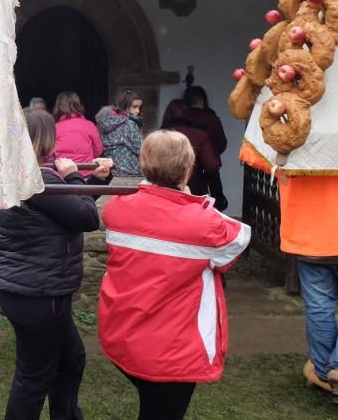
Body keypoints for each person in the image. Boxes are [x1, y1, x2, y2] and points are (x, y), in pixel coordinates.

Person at [99, 130, 250, 420]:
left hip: (123, 335)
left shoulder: (117, 209)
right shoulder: (204, 223)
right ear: (188, 170)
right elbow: (238, 239)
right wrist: (192, 199)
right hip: (172, 350)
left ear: (143, 166)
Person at [0, 109, 112, 420]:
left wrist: (95, 180)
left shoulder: (13, 173)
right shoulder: (37, 178)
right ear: (44, 139)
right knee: (33, 378)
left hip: (28, 289)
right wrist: (73, 175)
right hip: (40, 294)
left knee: (71, 358)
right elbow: (86, 217)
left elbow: (66, 209)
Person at [160, 99, 222, 203]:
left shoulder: (160, 135)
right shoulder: (200, 134)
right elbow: (211, 164)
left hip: (163, 183)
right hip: (194, 182)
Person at [183, 85, 228, 210]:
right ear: (203, 100)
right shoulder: (212, 119)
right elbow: (222, 143)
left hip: (186, 166)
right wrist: (211, 153)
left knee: (189, 202)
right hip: (210, 166)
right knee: (216, 202)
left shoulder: (180, 119)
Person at [54, 91, 103, 176]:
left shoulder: (55, 128)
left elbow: (49, 154)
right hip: (86, 174)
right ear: (78, 105)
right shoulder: (89, 125)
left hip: (62, 175)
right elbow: (98, 150)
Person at [98, 89, 144, 178]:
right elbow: (141, 148)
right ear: (124, 106)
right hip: (129, 171)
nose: (138, 111)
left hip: (111, 171)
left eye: (139, 107)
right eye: (134, 107)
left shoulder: (107, 122)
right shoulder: (128, 124)